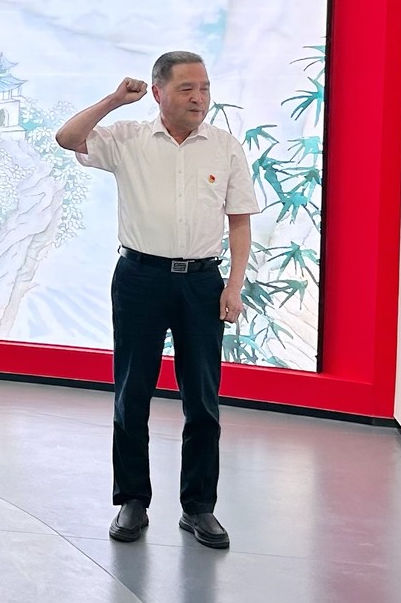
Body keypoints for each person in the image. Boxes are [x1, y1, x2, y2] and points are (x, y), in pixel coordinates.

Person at [54, 51, 260, 551]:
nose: (199, 98)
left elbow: (239, 222)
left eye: (204, 88)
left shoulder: (225, 146)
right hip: (139, 278)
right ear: (158, 92)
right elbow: (67, 138)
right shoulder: (129, 139)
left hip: (202, 282)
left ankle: (199, 507)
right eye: (187, 88)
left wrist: (233, 286)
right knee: (132, 391)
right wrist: (113, 101)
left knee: (202, 398)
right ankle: (132, 500)